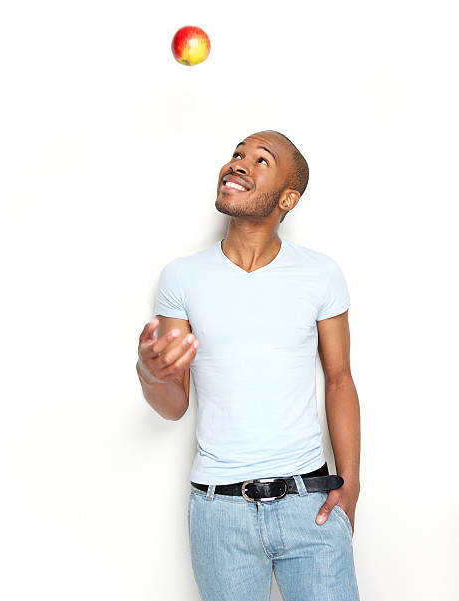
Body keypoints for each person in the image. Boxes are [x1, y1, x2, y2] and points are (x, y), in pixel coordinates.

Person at [135, 130, 361, 601]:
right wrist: (151, 374)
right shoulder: (182, 277)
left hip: (309, 503)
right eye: (237, 154)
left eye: (261, 160)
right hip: (219, 513)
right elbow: (173, 405)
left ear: (288, 197)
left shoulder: (320, 274)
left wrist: (351, 484)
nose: (239, 163)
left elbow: (340, 380)